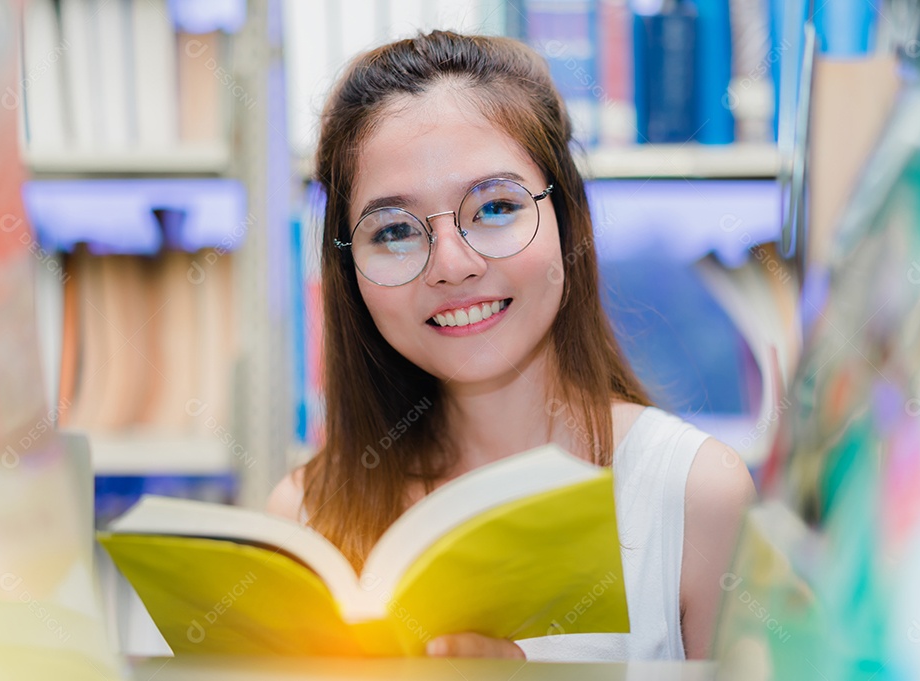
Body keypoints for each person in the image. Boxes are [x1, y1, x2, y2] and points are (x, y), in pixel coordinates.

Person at [267, 30, 755, 661]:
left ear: (566, 218)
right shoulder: (305, 518)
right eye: (393, 230)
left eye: (495, 208)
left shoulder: (696, 493)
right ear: (349, 272)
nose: (452, 265)